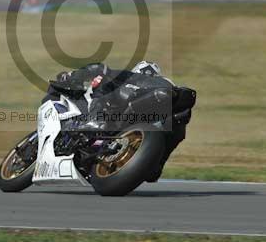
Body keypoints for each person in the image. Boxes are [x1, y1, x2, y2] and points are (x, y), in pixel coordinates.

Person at [44, 61, 192, 182]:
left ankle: (96, 120)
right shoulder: (164, 92)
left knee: (103, 74)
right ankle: (156, 164)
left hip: (133, 114)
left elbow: (99, 70)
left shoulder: (129, 80)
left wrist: (71, 77)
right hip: (157, 119)